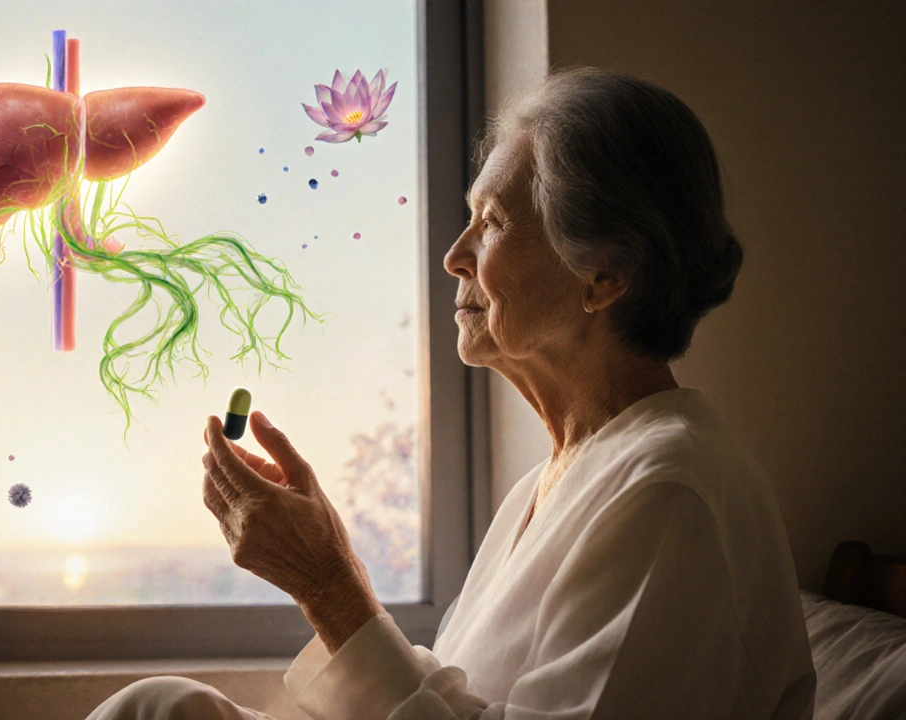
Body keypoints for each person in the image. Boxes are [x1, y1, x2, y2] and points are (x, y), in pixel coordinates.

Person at [86, 67, 816, 720]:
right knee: (163, 706)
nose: (454, 255)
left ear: (605, 276)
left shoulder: (670, 492)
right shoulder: (557, 479)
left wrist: (330, 589)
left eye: (493, 222)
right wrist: (340, 573)